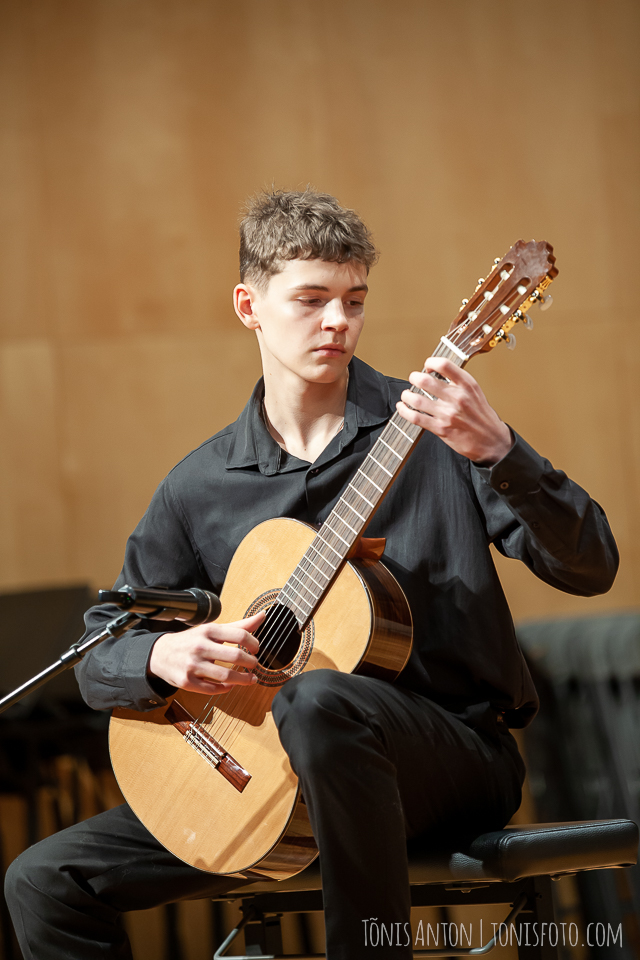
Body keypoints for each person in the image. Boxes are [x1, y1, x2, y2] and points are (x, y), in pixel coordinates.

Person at [5, 189, 618, 960]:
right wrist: (162, 655)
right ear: (249, 307)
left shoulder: (438, 430)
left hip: (448, 758)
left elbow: (590, 566)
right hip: (264, 778)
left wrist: (502, 452)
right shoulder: (201, 486)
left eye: (354, 301)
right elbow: (99, 655)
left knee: (320, 696)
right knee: (43, 879)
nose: (338, 321)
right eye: (311, 299)